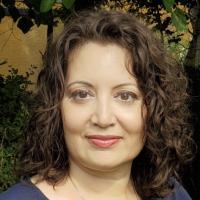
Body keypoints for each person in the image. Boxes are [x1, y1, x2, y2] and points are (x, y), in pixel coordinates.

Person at [0, 9, 194, 200]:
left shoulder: (172, 194)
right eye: (82, 94)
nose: (103, 118)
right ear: (55, 107)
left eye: (125, 96)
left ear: (154, 107)